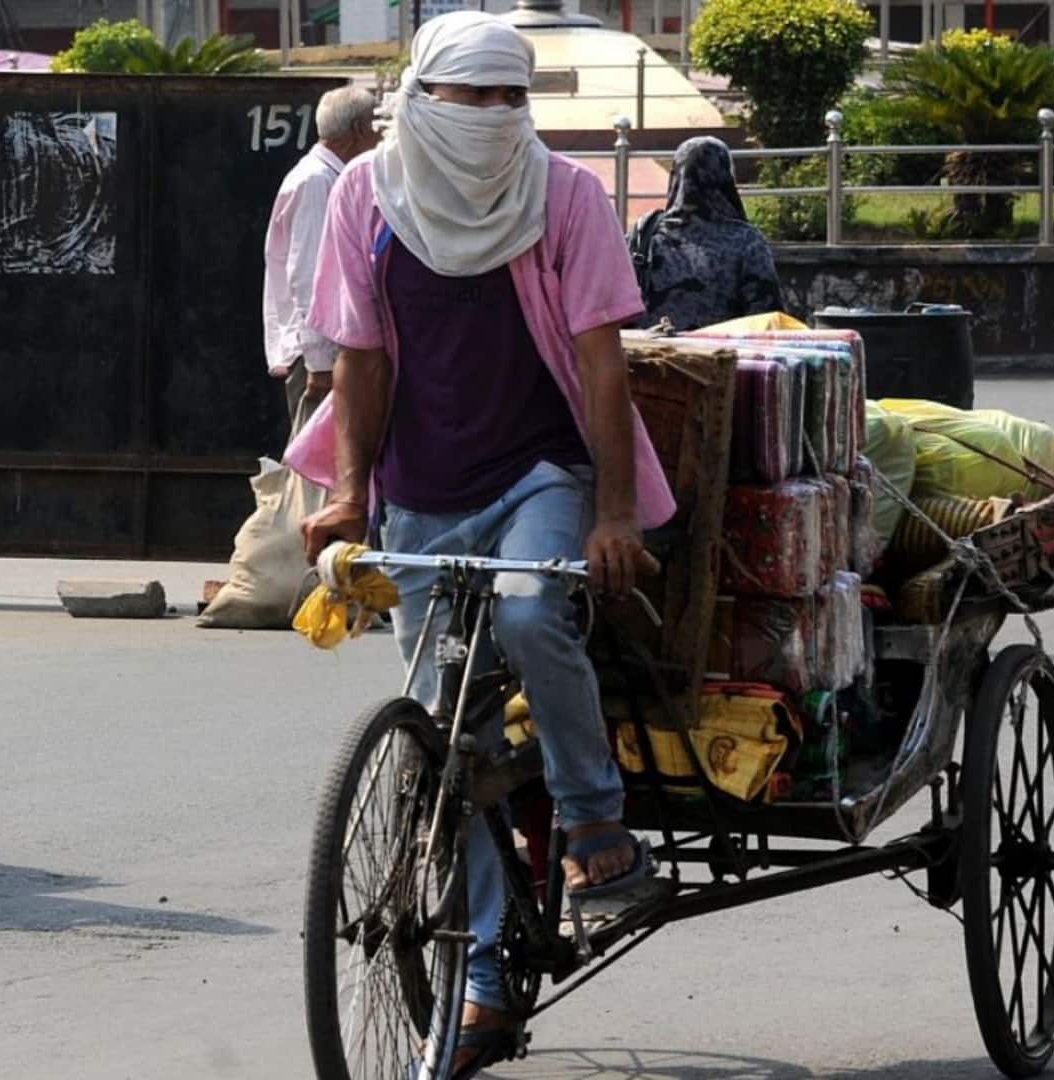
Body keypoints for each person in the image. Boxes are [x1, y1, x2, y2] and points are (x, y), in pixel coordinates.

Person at [291, 12, 676, 1074]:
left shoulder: (566, 197)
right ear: (422, 99)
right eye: (477, 98)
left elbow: (602, 366)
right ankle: (486, 980)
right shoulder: (366, 196)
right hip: (420, 491)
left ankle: (600, 832)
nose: (499, 117)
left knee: (525, 611)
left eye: (516, 98)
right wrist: (352, 495)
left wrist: (609, 513)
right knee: (440, 743)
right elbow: (357, 360)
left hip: (539, 473)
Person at [262, 87, 380, 427]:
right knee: (315, 469)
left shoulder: (329, 178)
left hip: (328, 351)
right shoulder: (317, 183)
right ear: (358, 130)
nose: (379, 139)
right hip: (319, 356)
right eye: (375, 128)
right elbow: (309, 276)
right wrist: (320, 363)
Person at [627, 135, 786, 331]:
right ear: (726, 177)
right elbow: (766, 322)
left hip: (651, 357)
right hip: (721, 358)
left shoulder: (644, 235)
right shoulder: (746, 242)